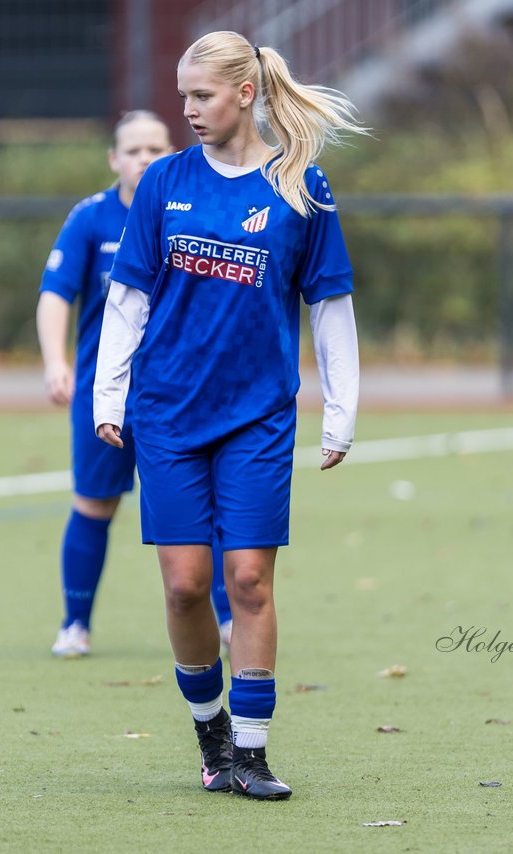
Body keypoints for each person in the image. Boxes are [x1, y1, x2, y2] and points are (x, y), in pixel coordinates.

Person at [92, 31, 363, 800]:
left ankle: (252, 751)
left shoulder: (301, 185)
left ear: (245, 94)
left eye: (201, 96)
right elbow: (129, 296)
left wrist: (340, 409)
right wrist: (108, 393)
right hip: (170, 413)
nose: (188, 111)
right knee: (185, 586)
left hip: (258, 416)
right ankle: (211, 735)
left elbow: (330, 302)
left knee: (247, 580)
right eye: (183, 96)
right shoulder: (164, 183)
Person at [38, 111, 233, 659]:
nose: (144, 158)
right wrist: (56, 361)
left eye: (155, 148)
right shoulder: (90, 219)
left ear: (172, 151)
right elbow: (55, 293)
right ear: (114, 159)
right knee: (94, 504)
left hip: (180, 392)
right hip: (106, 391)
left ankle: (225, 618)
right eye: (133, 150)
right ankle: (75, 623)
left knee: (204, 506)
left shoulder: (196, 205)